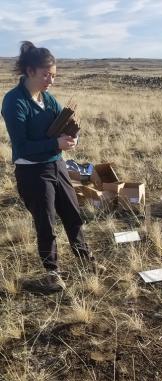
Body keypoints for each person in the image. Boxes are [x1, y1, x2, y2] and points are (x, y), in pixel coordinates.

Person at [1, 41, 102, 292]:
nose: (51, 80)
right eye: (46, 74)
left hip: (56, 164)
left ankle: (85, 259)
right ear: (30, 71)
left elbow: (65, 122)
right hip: (32, 170)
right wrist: (55, 142)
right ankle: (52, 273)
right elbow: (22, 147)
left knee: (72, 213)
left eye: (54, 75)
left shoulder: (48, 99)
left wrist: (72, 137)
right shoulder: (14, 102)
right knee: (46, 222)